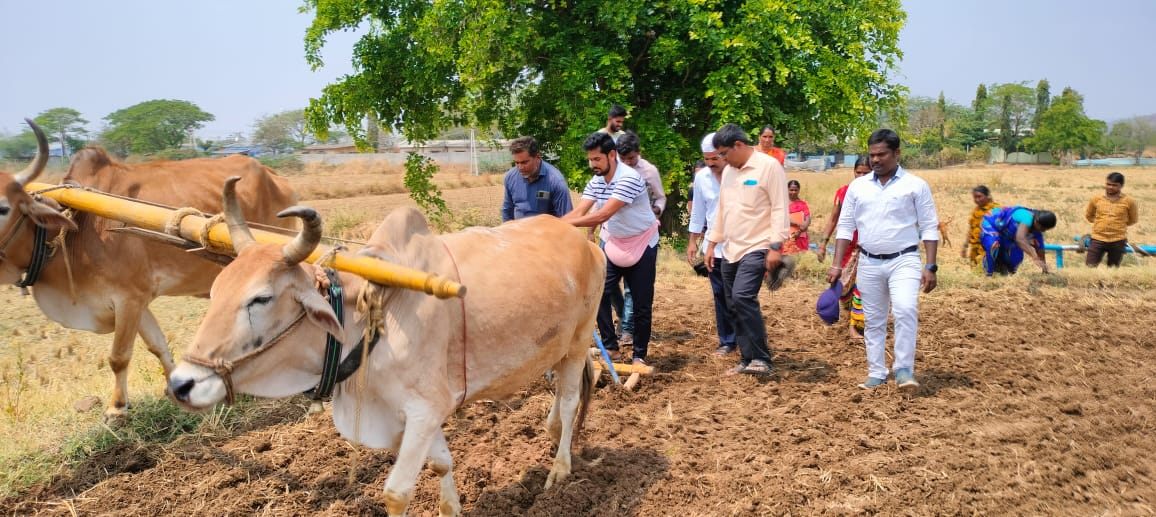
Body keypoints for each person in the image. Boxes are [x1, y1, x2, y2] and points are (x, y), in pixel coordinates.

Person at [827, 129, 940, 390]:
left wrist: (931, 266)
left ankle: (903, 369)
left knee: (905, 309)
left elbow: (929, 226)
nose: (875, 160)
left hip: (904, 259)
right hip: (868, 261)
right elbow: (845, 226)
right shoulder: (858, 187)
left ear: (896, 153)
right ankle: (876, 371)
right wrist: (836, 265)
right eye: (872, 155)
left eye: (881, 154)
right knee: (873, 319)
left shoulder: (915, 185)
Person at [563, 132, 658, 366]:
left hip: (641, 243)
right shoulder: (596, 181)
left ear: (612, 155)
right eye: (590, 159)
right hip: (614, 241)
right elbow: (579, 212)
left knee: (641, 303)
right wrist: (552, 225)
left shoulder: (629, 178)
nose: (592, 164)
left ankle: (639, 355)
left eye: (597, 159)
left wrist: (564, 225)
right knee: (598, 294)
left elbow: (603, 214)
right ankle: (611, 347)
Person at [703, 123, 790, 376]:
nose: (721, 159)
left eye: (723, 153)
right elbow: (723, 210)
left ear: (739, 145)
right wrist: (711, 244)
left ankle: (762, 358)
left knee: (742, 296)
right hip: (731, 248)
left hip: (758, 244)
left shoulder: (769, 167)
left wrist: (776, 246)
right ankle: (746, 358)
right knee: (732, 304)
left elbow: (779, 208)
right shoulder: (729, 172)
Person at [605, 130, 667, 345]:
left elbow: (660, 197)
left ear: (638, 153)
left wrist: (656, 211)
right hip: (613, 232)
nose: (628, 163)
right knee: (607, 285)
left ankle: (628, 329)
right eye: (623, 159)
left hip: (640, 235)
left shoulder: (649, 171)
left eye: (631, 158)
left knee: (633, 287)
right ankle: (623, 315)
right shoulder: (611, 170)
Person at [686, 133, 736, 355]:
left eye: (715, 158)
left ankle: (746, 338)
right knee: (720, 294)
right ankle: (727, 341)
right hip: (713, 247)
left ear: (725, 153)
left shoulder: (740, 173)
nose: (710, 163)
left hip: (741, 245)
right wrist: (693, 241)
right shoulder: (702, 178)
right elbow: (698, 211)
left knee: (740, 295)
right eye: (706, 159)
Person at [816, 156, 871, 339]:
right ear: (853, 172)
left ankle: (855, 325)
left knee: (863, 286)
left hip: (868, 247)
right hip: (846, 247)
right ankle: (849, 317)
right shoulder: (843, 193)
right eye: (858, 172)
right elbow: (833, 219)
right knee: (843, 286)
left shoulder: (878, 193)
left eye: (866, 173)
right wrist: (823, 243)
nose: (861, 176)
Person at [500, 136, 573, 222]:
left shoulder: (556, 181)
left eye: (524, 162)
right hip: (518, 229)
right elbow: (507, 210)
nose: (520, 167)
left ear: (538, 157)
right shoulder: (510, 177)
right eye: (517, 163)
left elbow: (567, 219)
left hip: (546, 230)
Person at [980, 206, 1056, 276]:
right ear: (1036, 221)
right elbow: (1020, 239)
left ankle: (1000, 264)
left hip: (1008, 234)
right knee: (994, 244)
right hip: (992, 225)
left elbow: (1040, 249)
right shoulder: (1027, 217)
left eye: (1046, 229)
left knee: (1015, 261)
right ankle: (989, 271)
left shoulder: (1037, 230)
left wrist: (1044, 270)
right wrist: (1034, 256)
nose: (1043, 231)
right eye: (1042, 228)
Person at [1084, 172, 1139, 268]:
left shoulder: (1129, 201)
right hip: (1098, 239)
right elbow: (1089, 216)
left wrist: (1118, 225)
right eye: (1108, 184)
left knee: (1113, 269)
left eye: (1114, 185)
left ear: (1121, 186)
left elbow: (1133, 219)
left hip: (1118, 240)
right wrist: (1100, 223)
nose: (1110, 187)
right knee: (1090, 267)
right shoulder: (1096, 199)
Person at [961, 185, 1000, 267]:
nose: (977, 200)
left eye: (979, 196)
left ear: (987, 195)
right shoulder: (976, 211)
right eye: (975, 197)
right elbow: (971, 229)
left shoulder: (996, 210)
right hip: (975, 250)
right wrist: (965, 246)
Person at [783, 179, 810, 254]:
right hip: (787, 236)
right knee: (787, 256)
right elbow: (782, 218)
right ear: (787, 190)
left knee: (800, 256)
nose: (793, 192)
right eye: (791, 190)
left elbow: (808, 219)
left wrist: (800, 230)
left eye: (796, 190)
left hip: (800, 236)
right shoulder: (783, 203)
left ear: (799, 190)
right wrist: (797, 224)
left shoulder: (802, 204)